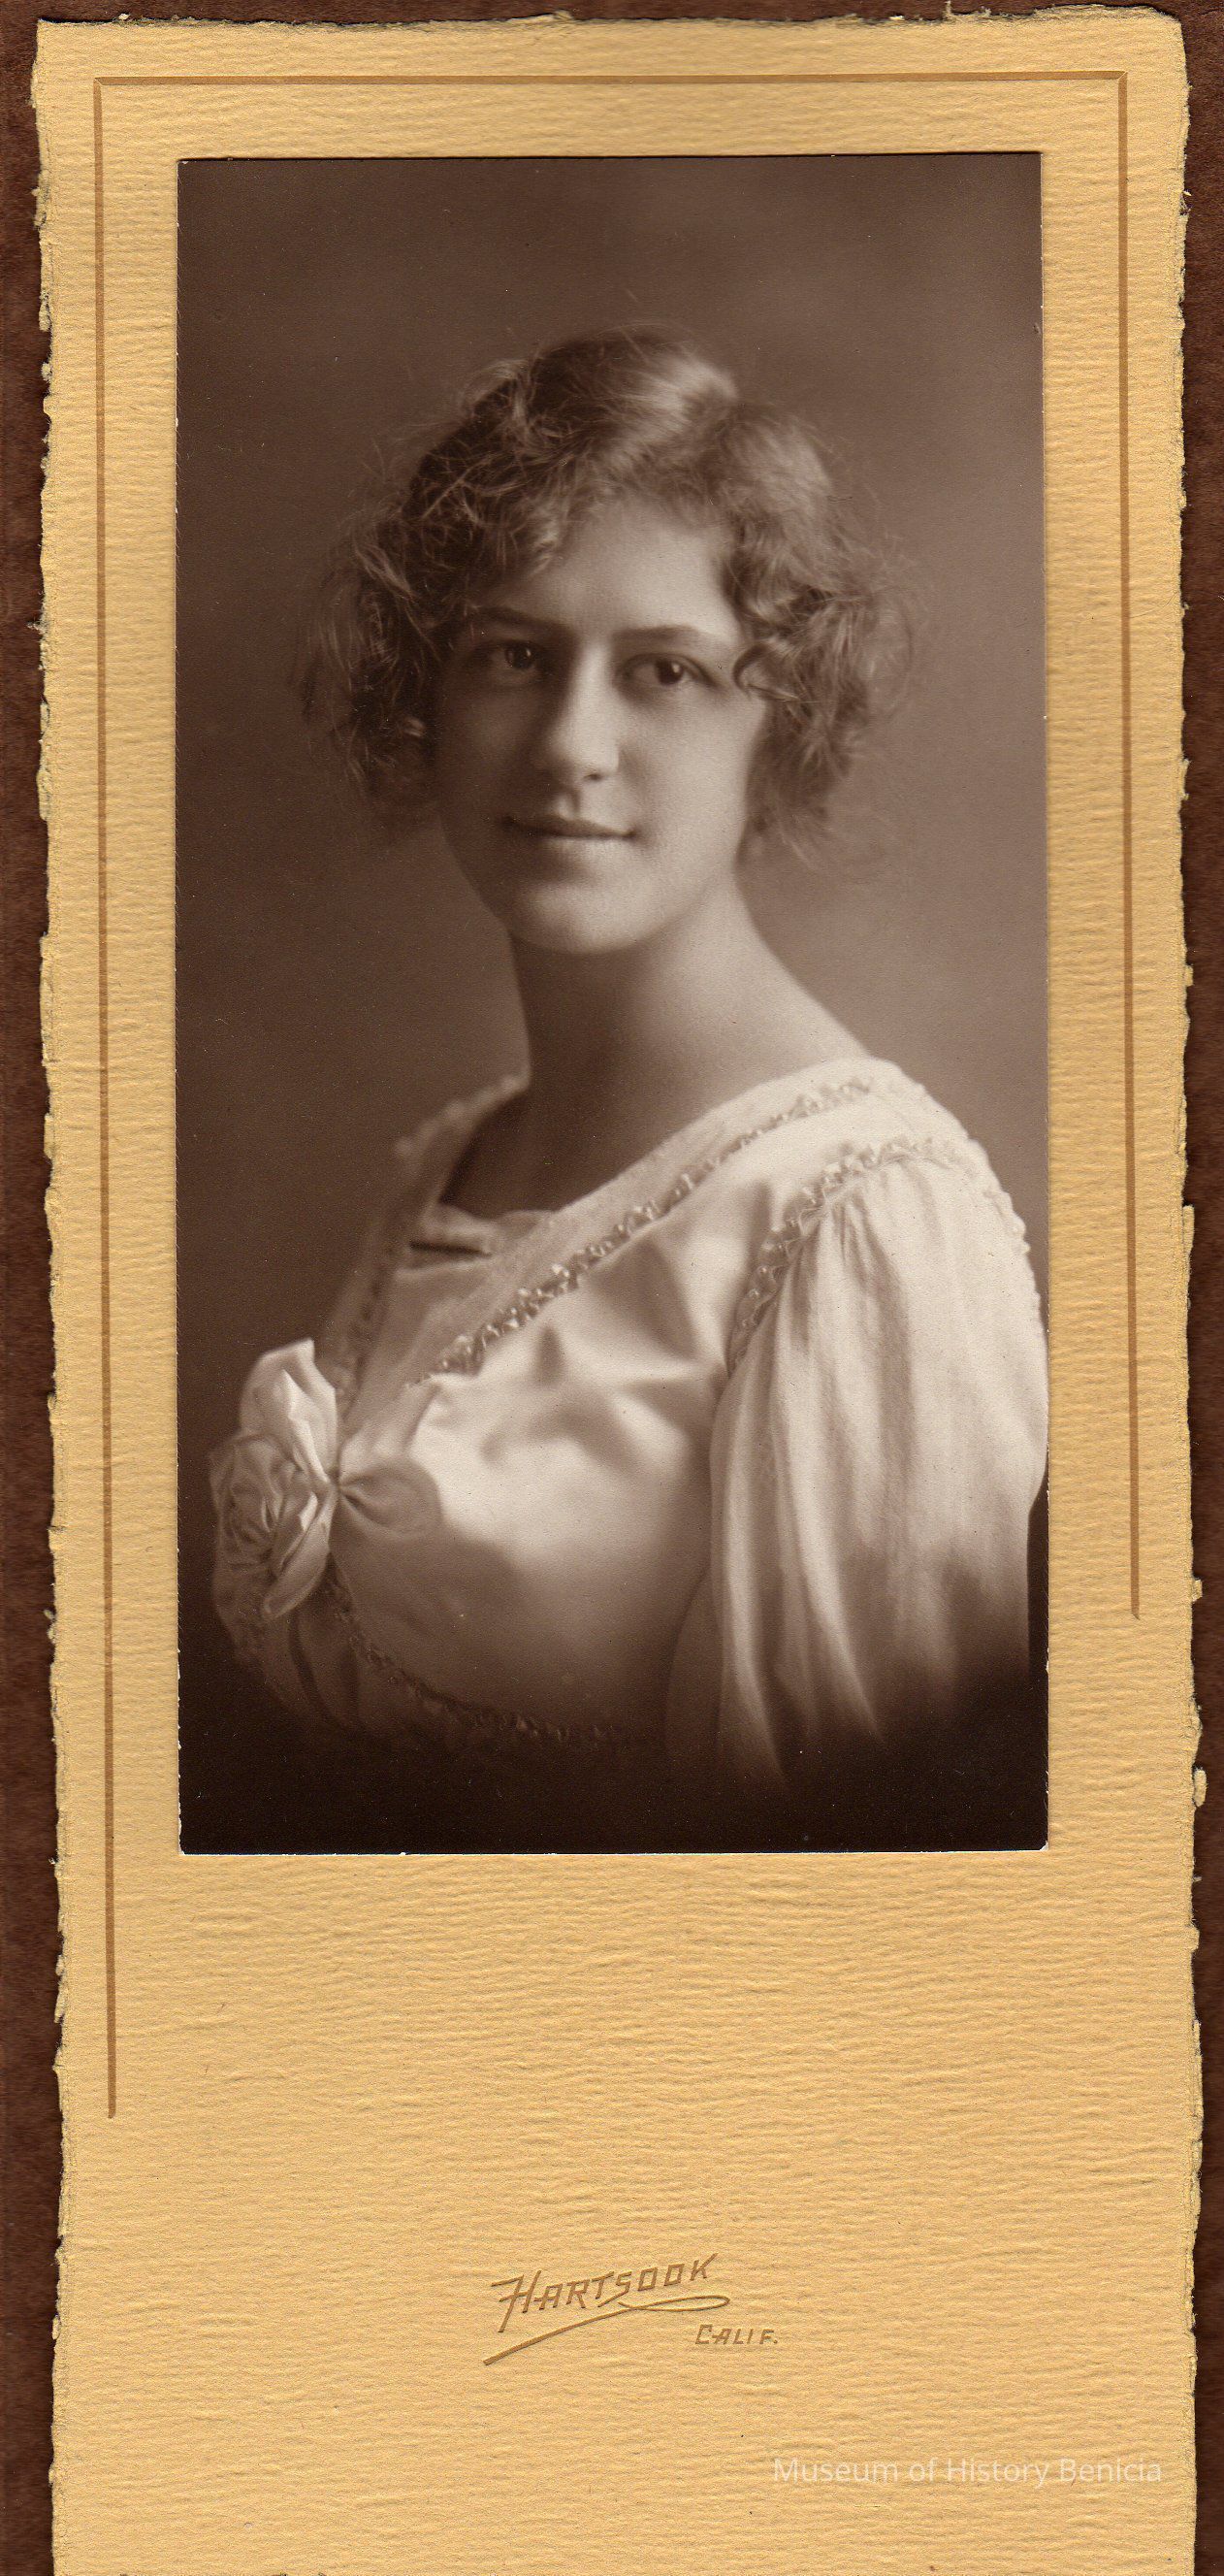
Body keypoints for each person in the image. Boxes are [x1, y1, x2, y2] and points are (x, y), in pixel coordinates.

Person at [209, 327, 1048, 1852]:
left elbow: (867, 1899)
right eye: (511, 656)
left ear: (778, 720)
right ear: (428, 693)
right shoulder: (447, 1163)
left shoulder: (859, 1222)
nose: (569, 746)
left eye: (662, 671)